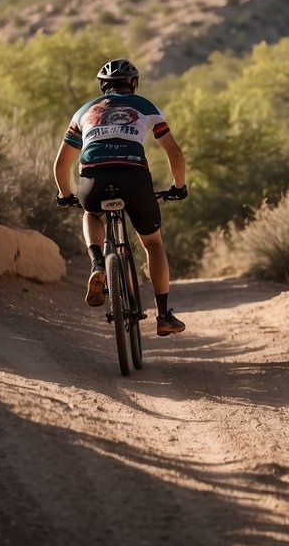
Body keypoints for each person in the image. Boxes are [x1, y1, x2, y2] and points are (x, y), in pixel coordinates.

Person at [54, 58, 189, 337]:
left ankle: (97, 263)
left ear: (102, 87)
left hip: (93, 178)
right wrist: (179, 187)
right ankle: (163, 315)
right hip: (133, 176)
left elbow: (60, 165)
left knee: (91, 212)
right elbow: (175, 155)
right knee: (153, 243)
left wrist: (66, 195)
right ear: (134, 84)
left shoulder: (84, 111)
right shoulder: (146, 106)